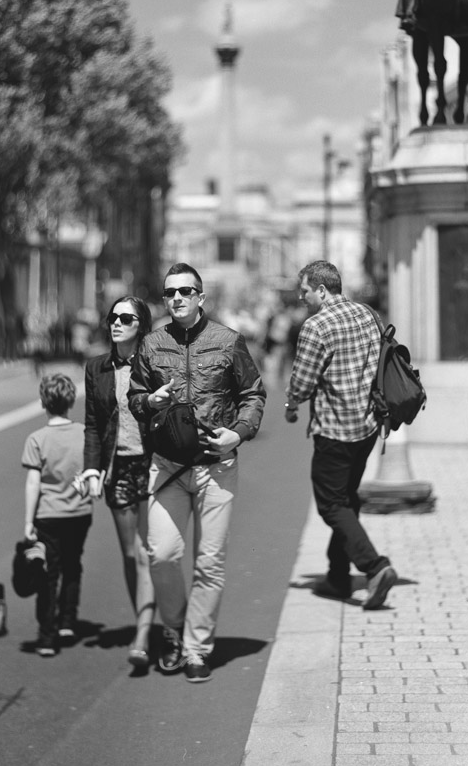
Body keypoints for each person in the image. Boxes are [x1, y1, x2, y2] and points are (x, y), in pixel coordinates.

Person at [128, 263, 266, 683]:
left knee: (209, 563)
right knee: (163, 553)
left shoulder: (228, 341)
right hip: (167, 465)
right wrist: (150, 401)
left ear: (201, 297)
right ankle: (173, 628)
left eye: (186, 291)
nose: (177, 299)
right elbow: (135, 399)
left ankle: (196, 648)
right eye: (170, 293)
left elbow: (253, 394)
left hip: (215, 467)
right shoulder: (151, 345)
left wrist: (238, 435)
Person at [284, 260, 398, 611]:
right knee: (346, 499)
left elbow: (302, 382)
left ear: (321, 289)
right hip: (366, 427)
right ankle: (337, 576)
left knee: (332, 504)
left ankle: (375, 567)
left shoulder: (315, 326)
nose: (301, 298)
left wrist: (291, 404)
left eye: (304, 291)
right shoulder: (367, 314)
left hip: (334, 429)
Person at [79, 297, 156, 671]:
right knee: (130, 554)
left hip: (155, 464)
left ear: (141, 325)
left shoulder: (154, 363)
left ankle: (144, 633)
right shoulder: (97, 368)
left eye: (126, 318)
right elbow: (93, 424)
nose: (116, 323)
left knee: (149, 553)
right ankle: (145, 618)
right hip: (119, 466)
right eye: (112, 317)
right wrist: (91, 469)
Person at [22, 373, 93, 657]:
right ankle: (68, 621)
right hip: (79, 511)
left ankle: (46, 635)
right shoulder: (85, 433)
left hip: (48, 515)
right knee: (72, 564)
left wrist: (28, 521)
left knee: (48, 573)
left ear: (43, 402)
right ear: (71, 401)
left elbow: (33, 483)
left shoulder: (36, 439)